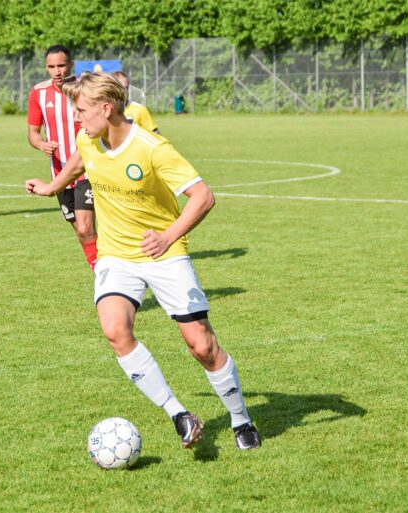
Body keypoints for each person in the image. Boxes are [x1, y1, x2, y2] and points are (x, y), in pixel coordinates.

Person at [25, 72, 260, 451]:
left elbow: (203, 196)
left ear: (106, 108)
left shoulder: (152, 148)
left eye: (81, 110)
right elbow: (78, 162)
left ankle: (240, 418)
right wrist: (51, 187)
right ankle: (179, 414)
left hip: (165, 255)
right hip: (116, 255)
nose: (76, 118)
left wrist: (168, 236)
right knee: (115, 329)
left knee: (201, 345)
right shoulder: (89, 139)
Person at [28, 45, 97, 270]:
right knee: (80, 230)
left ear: (71, 64)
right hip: (59, 173)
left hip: (87, 168)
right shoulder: (38, 92)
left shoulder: (85, 89)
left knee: (86, 228)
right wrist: (42, 145)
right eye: (52, 67)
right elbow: (33, 133)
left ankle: (106, 277)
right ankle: (102, 267)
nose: (57, 71)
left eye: (61, 65)